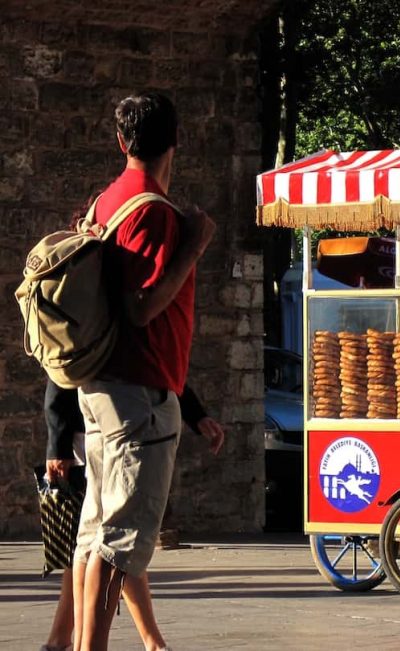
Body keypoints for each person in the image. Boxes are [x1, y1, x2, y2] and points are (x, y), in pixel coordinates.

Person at [72, 91, 216, 651]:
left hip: (102, 387)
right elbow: (141, 307)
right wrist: (195, 247)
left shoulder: (107, 200)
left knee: (96, 537)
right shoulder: (153, 211)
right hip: (139, 396)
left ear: (120, 140)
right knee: (121, 542)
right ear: (176, 142)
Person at [41, 379, 223, 651]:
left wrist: (194, 412)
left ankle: (73, 641)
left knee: (100, 538)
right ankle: (143, 644)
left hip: (100, 409)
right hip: (124, 414)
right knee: (120, 538)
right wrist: (58, 442)